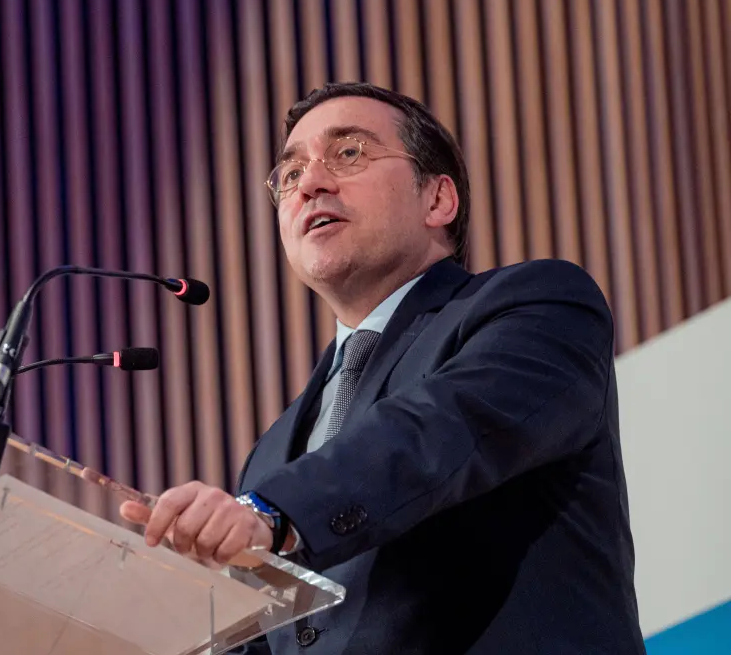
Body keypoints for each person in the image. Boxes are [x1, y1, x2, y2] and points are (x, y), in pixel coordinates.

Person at [120, 83, 646, 653]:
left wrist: (276, 513)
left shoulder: (538, 304)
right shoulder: (271, 456)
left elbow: (440, 428)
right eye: (290, 175)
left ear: (437, 200)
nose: (310, 184)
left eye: (349, 153)